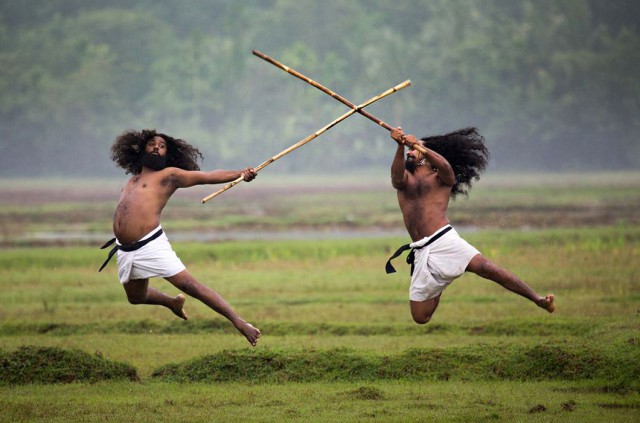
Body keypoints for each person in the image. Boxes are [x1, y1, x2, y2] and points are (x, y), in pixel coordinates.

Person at [99, 129, 261, 346]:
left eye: (162, 145)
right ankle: (172, 303)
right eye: (152, 143)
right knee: (135, 297)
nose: (157, 147)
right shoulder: (131, 182)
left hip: (150, 245)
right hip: (125, 249)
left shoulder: (169, 176)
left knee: (191, 286)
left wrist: (241, 174)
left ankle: (240, 322)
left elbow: (206, 177)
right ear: (141, 148)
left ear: (167, 155)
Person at [385, 127, 555, 324]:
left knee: (484, 267)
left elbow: (447, 168)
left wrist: (419, 146)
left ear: (426, 157)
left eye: (414, 149)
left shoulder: (442, 178)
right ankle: (442, 282)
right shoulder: (405, 180)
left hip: (444, 240)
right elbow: (396, 178)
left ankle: (538, 299)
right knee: (421, 317)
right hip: (421, 250)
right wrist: (399, 146)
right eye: (410, 150)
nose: (410, 151)